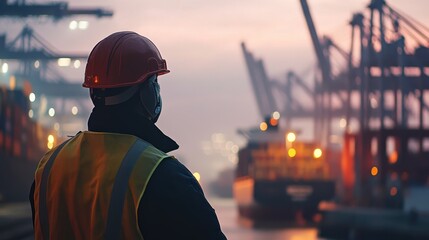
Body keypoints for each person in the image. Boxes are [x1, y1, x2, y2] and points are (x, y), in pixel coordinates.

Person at [30, 31, 227, 240]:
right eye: (154, 84)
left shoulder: (48, 168)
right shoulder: (164, 176)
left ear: (93, 92)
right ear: (147, 94)